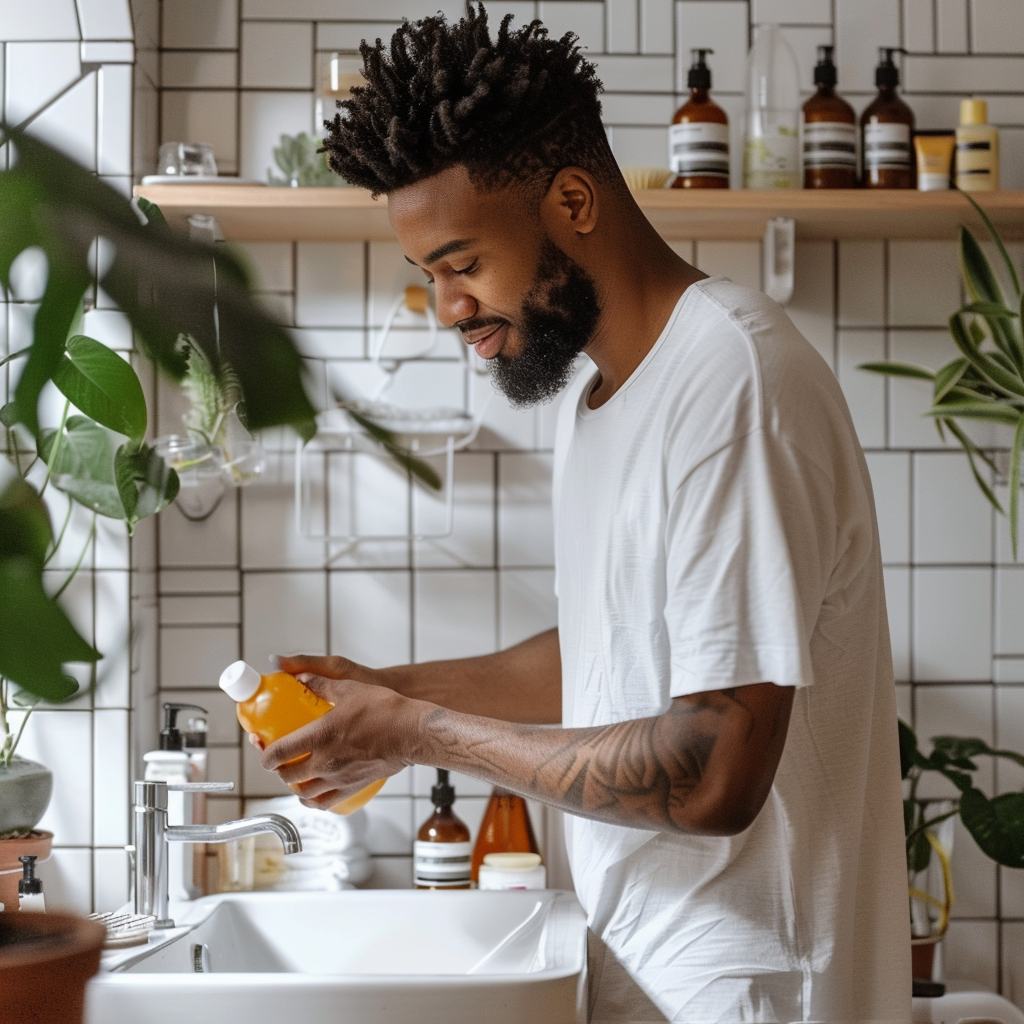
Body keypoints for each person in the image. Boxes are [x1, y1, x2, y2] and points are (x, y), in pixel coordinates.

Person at [258, 6, 911, 1021]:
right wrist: (382, 696)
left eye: (464, 263)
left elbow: (710, 775)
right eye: (428, 276)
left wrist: (419, 732)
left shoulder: (729, 379)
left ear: (572, 200)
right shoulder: (597, 400)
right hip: (642, 964)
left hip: (750, 986)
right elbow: (609, 654)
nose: (447, 309)